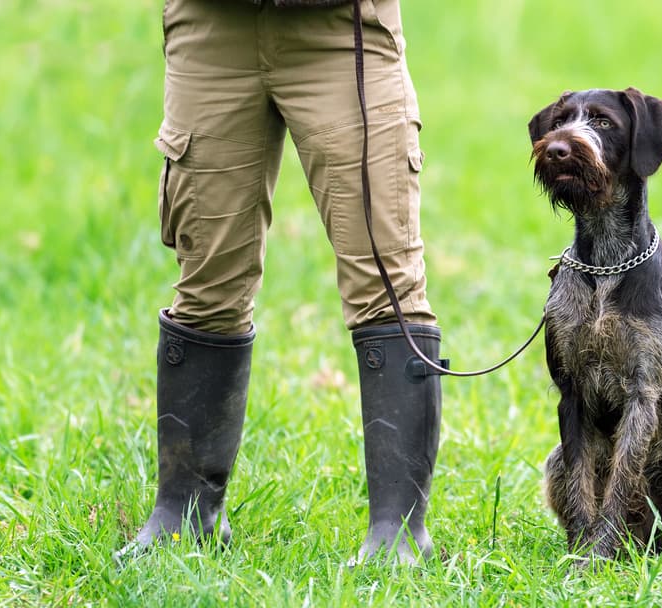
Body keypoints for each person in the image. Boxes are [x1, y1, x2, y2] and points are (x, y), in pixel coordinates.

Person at [119, 0, 445, 565]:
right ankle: (184, 518)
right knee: (207, 283)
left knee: (385, 281)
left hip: (342, 32)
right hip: (211, 29)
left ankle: (398, 535)